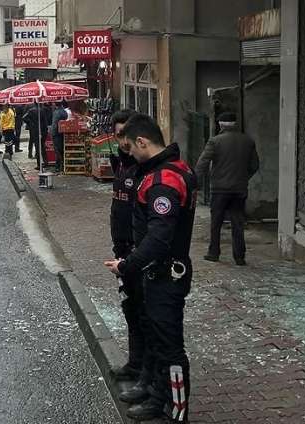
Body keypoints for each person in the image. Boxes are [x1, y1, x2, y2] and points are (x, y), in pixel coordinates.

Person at [104, 114, 196, 422]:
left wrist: (127, 265)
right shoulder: (167, 170)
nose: (128, 153)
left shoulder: (164, 180)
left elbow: (159, 237)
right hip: (157, 271)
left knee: (169, 347)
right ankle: (157, 396)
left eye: (130, 147)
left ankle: (176, 411)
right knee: (156, 339)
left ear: (143, 142)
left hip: (166, 273)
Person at [106, 110, 151, 392]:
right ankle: (135, 364)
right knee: (130, 309)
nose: (124, 141)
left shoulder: (145, 167)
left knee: (145, 314)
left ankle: (147, 375)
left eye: (128, 135)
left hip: (140, 253)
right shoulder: (122, 163)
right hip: (122, 251)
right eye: (119, 135)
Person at [194, 112, 259, 266]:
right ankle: (240, 256)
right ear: (235, 124)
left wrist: (195, 182)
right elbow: (255, 165)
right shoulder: (248, 141)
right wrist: (244, 178)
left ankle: (214, 253)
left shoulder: (215, 141)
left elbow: (202, 163)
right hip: (239, 189)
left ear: (220, 125)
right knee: (238, 222)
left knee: (216, 222)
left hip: (219, 189)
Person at [51, 101, 70, 173]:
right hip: (62, 133)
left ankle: (58, 166)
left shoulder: (56, 112)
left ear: (55, 104)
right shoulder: (64, 112)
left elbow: (54, 124)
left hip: (56, 134)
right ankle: (63, 165)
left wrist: (52, 133)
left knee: (57, 150)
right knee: (62, 149)